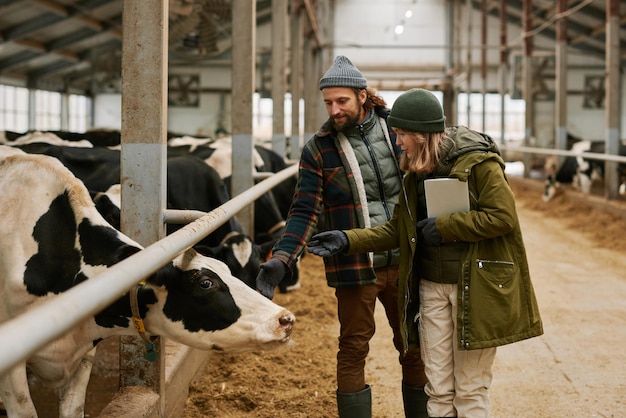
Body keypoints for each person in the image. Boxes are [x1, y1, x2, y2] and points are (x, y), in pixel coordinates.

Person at [307, 88, 544, 418]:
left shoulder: (479, 163)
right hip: (431, 288)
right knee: (438, 387)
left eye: (402, 134)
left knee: (471, 387)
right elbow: (396, 230)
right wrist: (347, 241)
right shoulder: (416, 172)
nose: (398, 141)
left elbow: (503, 217)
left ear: (420, 134)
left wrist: (446, 227)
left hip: (473, 287)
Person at [255, 56, 429, 418]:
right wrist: (283, 258)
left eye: (342, 101)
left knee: (414, 346)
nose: (334, 110)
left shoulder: (397, 132)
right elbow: (304, 211)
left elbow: (432, 172)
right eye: (328, 103)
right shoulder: (318, 150)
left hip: (407, 261)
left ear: (363, 96)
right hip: (354, 265)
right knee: (352, 347)